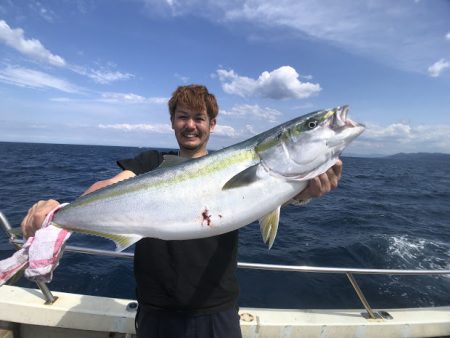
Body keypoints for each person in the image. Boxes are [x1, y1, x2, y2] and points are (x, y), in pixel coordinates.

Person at [21, 84, 343, 338]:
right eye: (183, 117)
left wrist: (303, 194)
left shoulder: (244, 170)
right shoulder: (150, 163)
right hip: (155, 310)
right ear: (173, 121)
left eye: (199, 118)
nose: (191, 125)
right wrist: (57, 211)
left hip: (217, 309)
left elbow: (269, 196)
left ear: (212, 125)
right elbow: (111, 186)